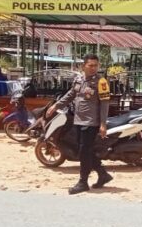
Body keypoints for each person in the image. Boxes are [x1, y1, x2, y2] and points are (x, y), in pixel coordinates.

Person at [46, 54, 112, 195]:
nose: (94, 68)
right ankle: (102, 174)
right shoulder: (79, 79)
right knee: (83, 151)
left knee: (84, 151)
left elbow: (105, 104)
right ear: (84, 66)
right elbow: (70, 95)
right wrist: (55, 106)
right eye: (91, 65)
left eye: (96, 65)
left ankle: (83, 182)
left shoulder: (101, 82)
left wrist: (103, 124)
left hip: (91, 122)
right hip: (78, 120)